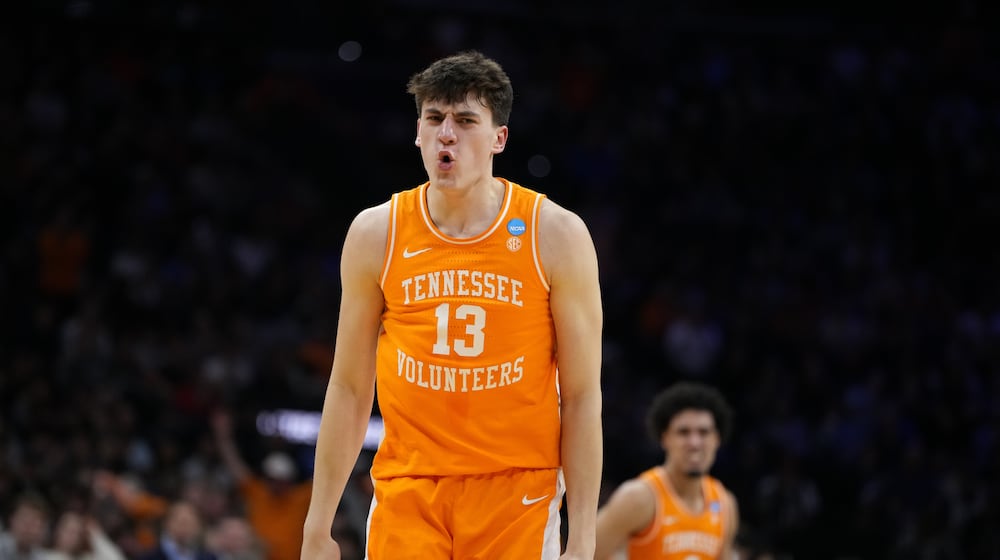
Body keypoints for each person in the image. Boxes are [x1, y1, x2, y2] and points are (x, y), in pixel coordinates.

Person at [301, 50, 604, 560]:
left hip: (516, 494)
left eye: (466, 121)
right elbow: (351, 388)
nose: (447, 134)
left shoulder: (555, 234)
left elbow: (580, 396)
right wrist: (318, 523)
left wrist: (584, 539)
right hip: (409, 489)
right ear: (417, 132)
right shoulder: (377, 233)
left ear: (499, 139)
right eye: (434, 118)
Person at [594, 382, 739, 559]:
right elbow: (586, 553)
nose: (694, 443)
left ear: (717, 439)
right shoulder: (639, 497)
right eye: (683, 432)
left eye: (704, 432)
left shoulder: (725, 505)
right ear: (665, 438)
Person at [211, 411, 311, 560]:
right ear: (267, 478)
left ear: (290, 481)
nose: (277, 484)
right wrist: (223, 437)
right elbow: (235, 466)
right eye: (273, 479)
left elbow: (331, 474)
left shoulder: (301, 497)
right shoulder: (258, 492)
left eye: (281, 480)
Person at [0, 493, 54, 560]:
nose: (27, 528)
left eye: (33, 523)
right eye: (24, 520)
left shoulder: (41, 557)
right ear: (12, 520)